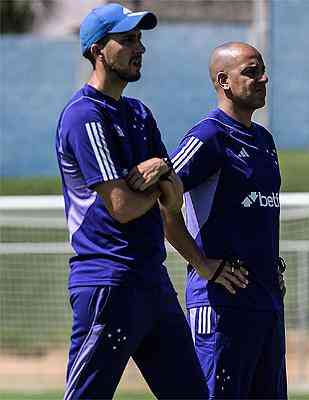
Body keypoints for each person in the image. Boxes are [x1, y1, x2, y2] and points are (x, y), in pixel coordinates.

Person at [55, 4, 214, 398]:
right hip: (109, 283)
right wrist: (155, 185)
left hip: (152, 282)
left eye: (139, 39)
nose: (138, 47)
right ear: (97, 50)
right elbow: (122, 208)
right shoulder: (84, 116)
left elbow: (173, 200)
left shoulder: (140, 114)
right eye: (126, 40)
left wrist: (157, 174)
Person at [164, 41, 287, 399]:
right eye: (251, 71)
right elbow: (158, 203)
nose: (263, 78)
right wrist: (201, 263)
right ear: (224, 81)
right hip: (221, 305)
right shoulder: (208, 136)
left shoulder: (264, 139)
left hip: (265, 302)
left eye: (263, 69)